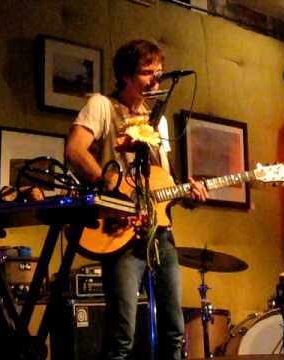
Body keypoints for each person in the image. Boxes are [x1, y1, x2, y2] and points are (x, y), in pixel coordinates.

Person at [65, 39, 207, 360]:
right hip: (119, 232)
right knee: (121, 335)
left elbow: (164, 181)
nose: (156, 80)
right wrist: (112, 192)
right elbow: (75, 151)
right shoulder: (102, 105)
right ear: (126, 76)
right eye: (147, 73)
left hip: (160, 232)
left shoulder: (160, 120)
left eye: (159, 72)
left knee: (174, 330)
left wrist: (186, 195)